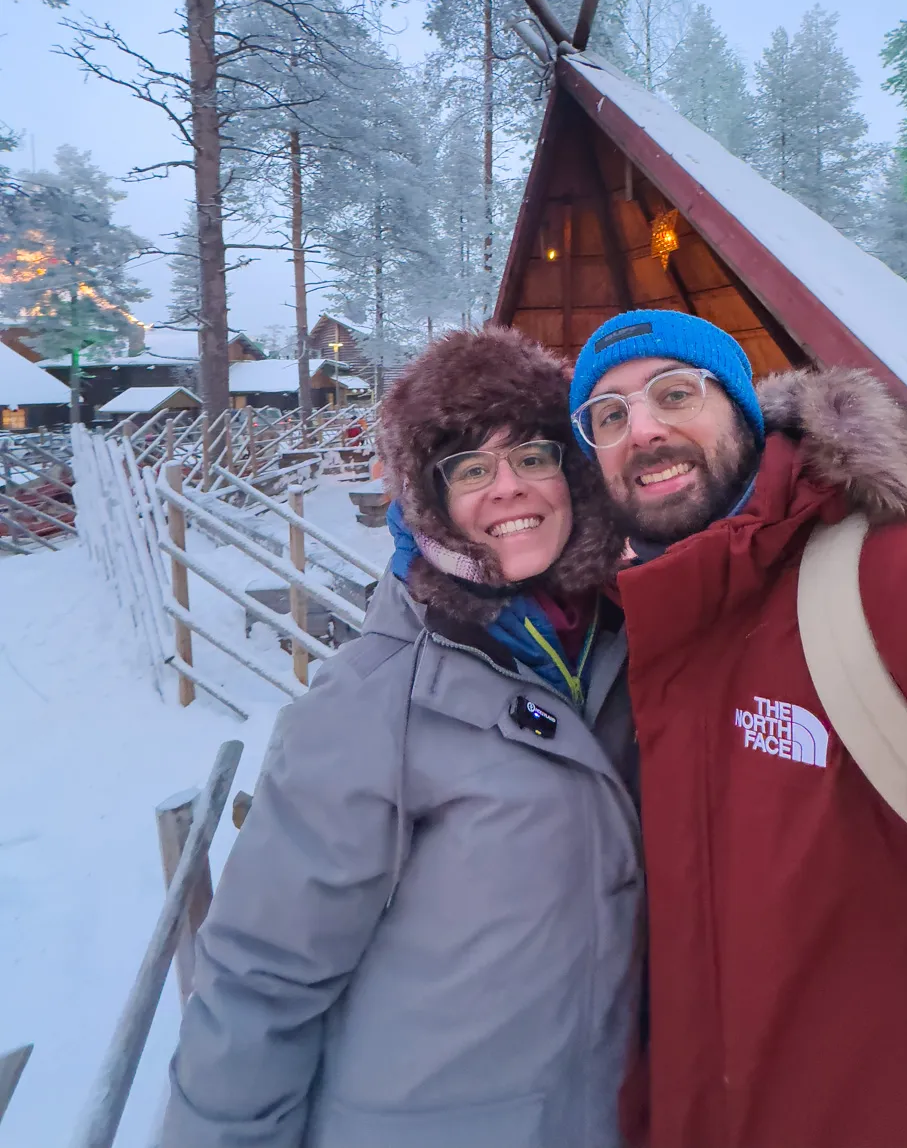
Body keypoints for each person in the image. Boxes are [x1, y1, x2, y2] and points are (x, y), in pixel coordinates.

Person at [568, 308, 907, 1148]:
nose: (641, 430)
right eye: (607, 416)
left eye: (674, 393)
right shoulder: (645, 634)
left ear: (744, 412)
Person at [163, 325, 642, 1148]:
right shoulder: (375, 701)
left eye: (531, 456)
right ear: (430, 503)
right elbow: (258, 983)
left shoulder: (619, 652)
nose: (507, 487)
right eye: (469, 469)